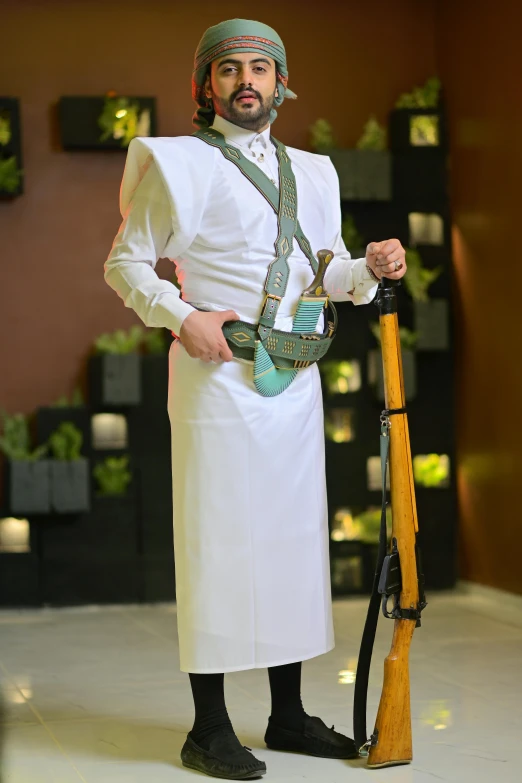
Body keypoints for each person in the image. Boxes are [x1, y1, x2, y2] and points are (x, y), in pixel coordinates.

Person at [104, 18, 407, 780]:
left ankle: (288, 713)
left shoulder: (315, 170)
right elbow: (126, 264)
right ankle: (208, 727)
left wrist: (366, 267)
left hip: (294, 383)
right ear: (205, 85)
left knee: (288, 547)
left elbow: (325, 273)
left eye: (260, 69)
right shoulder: (177, 166)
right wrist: (184, 316)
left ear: (280, 83)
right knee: (218, 546)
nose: (247, 81)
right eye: (230, 69)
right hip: (217, 380)